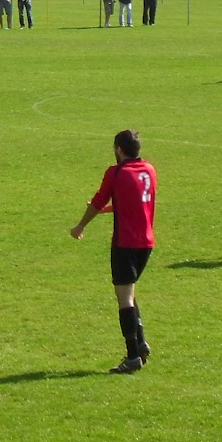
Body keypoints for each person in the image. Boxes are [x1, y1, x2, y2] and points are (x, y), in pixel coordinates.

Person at [70, 129, 156, 374]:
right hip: (146, 243)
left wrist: (80, 226)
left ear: (119, 149)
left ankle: (132, 357)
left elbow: (98, 200)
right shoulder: (149, 170)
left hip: (125, 244)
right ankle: (140, 343)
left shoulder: (115, 173)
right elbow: (133, 203)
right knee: (129, 290)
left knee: (124, 298)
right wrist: (108, 210)